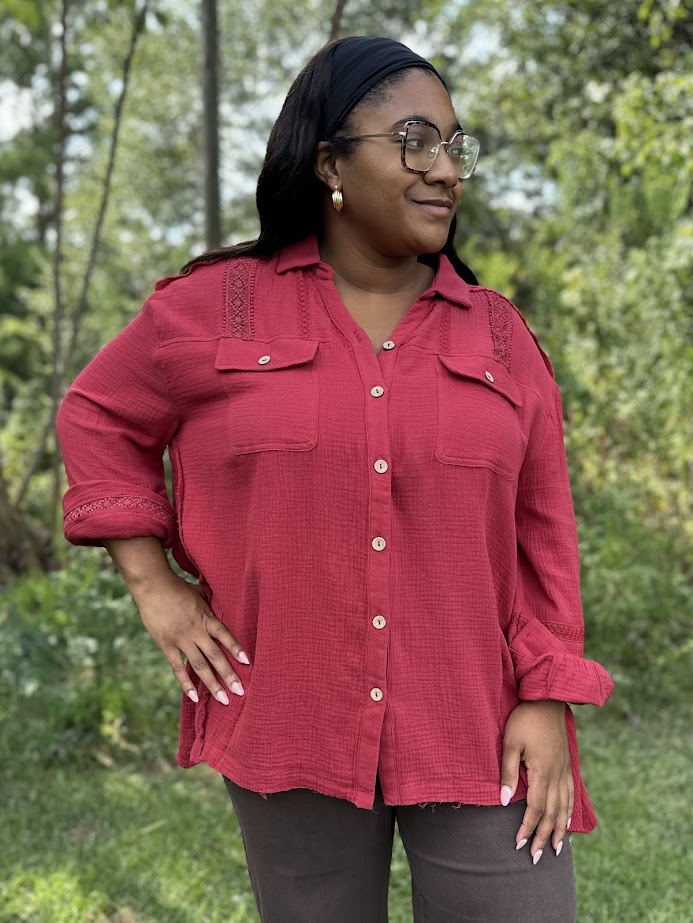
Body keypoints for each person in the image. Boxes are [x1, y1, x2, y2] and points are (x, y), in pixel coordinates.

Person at [57, 35, 614, 923]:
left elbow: (543, 530)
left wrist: (545, 696)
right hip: (291, 709)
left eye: (454, 146)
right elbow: (96, 416)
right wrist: (153, 584)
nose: (445, 170)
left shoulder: (499, 338)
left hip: (477, 721)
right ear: (329, 163)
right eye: (416, 141)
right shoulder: (213, 308)